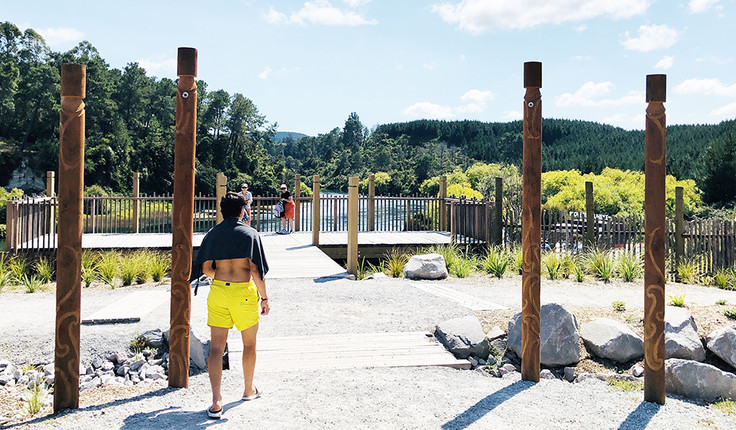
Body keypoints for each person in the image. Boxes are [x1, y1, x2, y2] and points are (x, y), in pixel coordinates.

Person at [190, 192, 270, 419]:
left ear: (221, 211)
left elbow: (205, 269)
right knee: (249, 344)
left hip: (219, 292)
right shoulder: (250, 234)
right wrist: (264, 298)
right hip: (243, 292)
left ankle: (216, 401)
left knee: (217, 347)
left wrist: (221, 275)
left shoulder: (213, 234)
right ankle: (248, 389)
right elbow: (256, 270)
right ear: (242, 210)